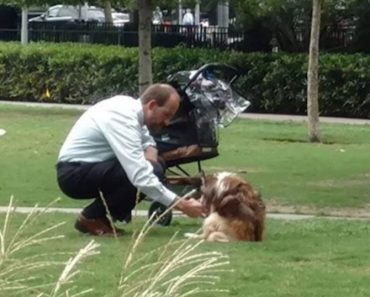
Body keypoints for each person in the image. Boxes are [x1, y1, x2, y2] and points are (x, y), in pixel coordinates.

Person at [56, 84, 204, 236]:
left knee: (156, 166)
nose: (167, 123)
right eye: (166, 115)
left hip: (89, 167)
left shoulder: (131, 108)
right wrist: (182, 205)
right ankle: (90, 218)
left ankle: (101, 217)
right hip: (74, 174)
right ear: (152, 105)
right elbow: (140, 176)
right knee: (148, 172)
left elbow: (148, 141)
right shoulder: (122, 119)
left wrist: (151, 154)